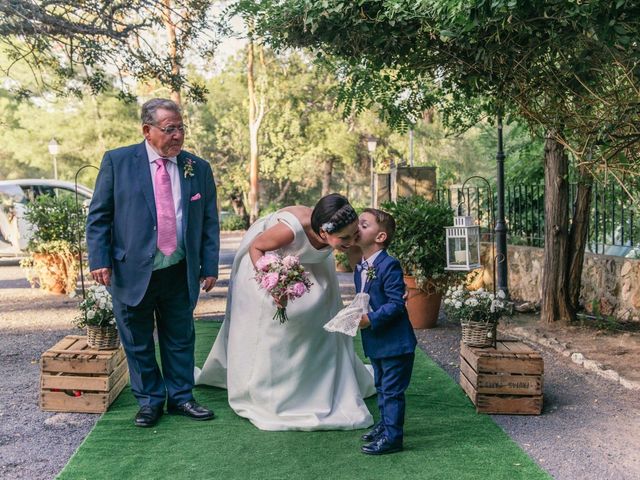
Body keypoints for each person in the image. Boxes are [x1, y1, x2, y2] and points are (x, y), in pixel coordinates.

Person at [86, 98, 220, 428]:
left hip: (178, 268)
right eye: (169, 128)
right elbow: (99, 216)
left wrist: (210, 265)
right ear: (148, 131)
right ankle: (149, 401)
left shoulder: (197, 168)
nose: (177, 135)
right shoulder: (118, 162)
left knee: (180, 337)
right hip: (131, 269)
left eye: (181, 128)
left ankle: (181, 397)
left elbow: (208, 221)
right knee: (137, 338)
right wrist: (99, 258)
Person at [196, 194, 375, 431]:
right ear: (323, 233)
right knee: (275, 323)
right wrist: (273, 284)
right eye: (344, 238)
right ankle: (267, 387)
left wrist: (368, 292)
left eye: (354, 235)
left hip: (310, 264)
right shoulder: (290, 230)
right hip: (265, 257)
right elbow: (257, 247)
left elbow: (357, 261)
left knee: (322, 311)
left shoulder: (343, 233)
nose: (352, 241)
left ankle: (316, 381)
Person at [355, 208, 417, 455]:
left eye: (363, 224)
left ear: (380, 237)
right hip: (378, 341)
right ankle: (385, 425)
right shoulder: (362, 265)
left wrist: (370, 318)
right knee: (381, 386)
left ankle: (393, 437)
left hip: (395, 343)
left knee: (391, 391)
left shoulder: (388, 264)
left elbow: (396, 304)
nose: (356, 227)